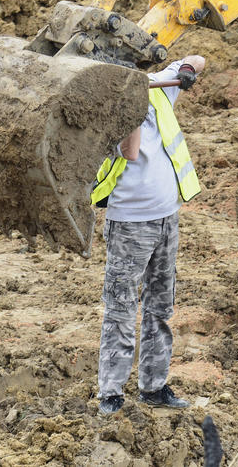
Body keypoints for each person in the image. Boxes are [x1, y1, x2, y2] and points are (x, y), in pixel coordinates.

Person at [96, 54, 205, 415]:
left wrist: (187, 71)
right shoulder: (104, 111)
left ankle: (154, 387)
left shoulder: (158, 88)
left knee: (160, 306)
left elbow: (197, 59)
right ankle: (111, 392)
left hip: (166, 219)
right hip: (130, 223)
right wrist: (130, 107)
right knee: (122, 309)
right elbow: (129, 150)